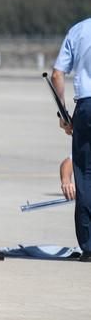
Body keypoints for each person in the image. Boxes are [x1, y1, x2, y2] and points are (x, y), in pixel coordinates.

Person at [52, 17, 91, 262]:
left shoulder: (78, 30)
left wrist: (64, 113)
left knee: (85, 173)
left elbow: (57, 74)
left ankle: (89, 246)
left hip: (86, 105)